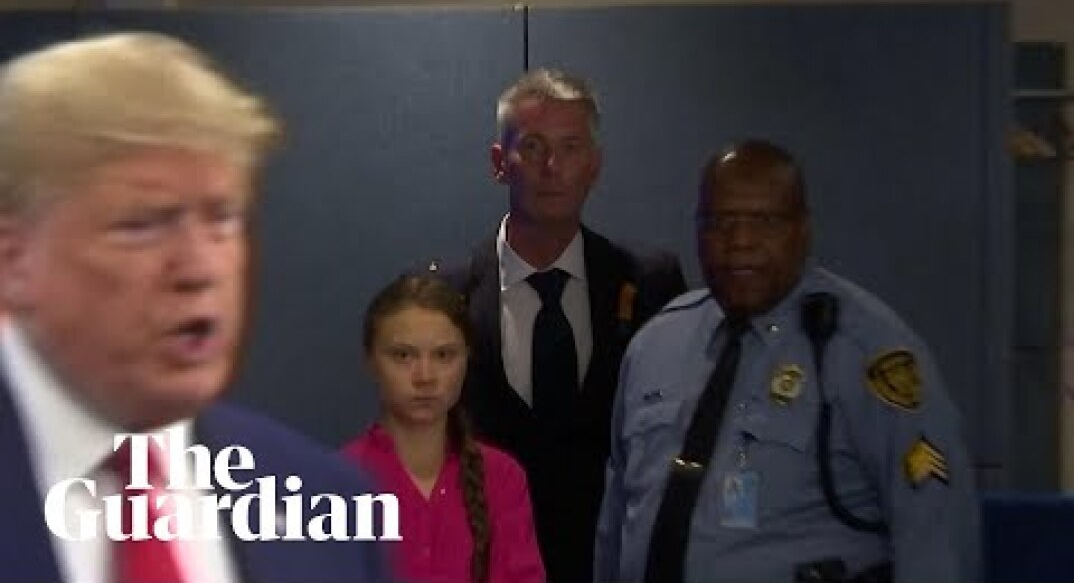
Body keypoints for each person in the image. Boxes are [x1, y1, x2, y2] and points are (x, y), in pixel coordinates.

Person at [0, 32, 385, 583]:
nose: (200, 269)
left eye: (222, 218)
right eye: (141, 225)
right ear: (13, 258)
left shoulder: (321, 503)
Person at [594, 139, 980, 583]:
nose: (740, 242)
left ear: (802, 230)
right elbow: (616, 523)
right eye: (720, 222)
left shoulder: (866, 352)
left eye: (765, 221)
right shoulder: (655, 344)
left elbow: (935, 537)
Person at [437, 68, 687, 582]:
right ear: (498, 163)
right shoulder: (443, 296)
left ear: (594, 164)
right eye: (532, 147)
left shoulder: (650, 285)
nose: (552, 167)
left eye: (570, 148)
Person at [340, 273, 545, 583]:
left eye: (444, 355)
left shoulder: (503, 478)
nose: (425, 376)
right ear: (371, 360)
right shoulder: (335, 481)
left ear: (466, 359)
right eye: (403, 355)